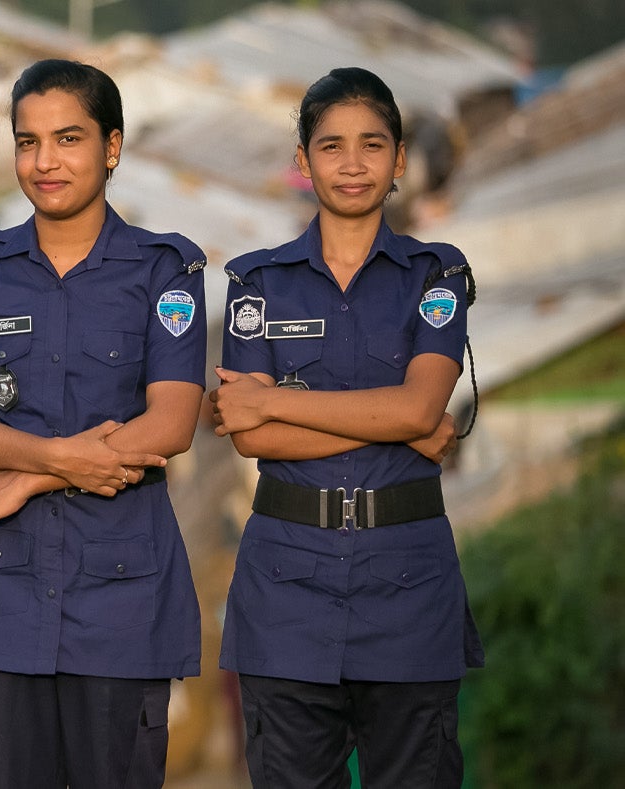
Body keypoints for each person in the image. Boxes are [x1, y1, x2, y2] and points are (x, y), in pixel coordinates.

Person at [0, 59, 206, 787]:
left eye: (67, 138)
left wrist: (22, 477)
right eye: (27, 141)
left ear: (111, 147)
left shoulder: (162, 272)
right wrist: (62, 459)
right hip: (1, 595)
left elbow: (172, 420)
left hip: (121, 597)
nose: (44, 161)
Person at [212, 66, 481, 787]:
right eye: (330, 146)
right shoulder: (255, 283)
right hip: (285, 590)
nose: (352, 163)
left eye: (372, 144)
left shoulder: (435, 274)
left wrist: (277, 399)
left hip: (407, 584)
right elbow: (249, 433)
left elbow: (420, 409)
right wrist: (394, 420)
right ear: (302, 163)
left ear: (399, 160)